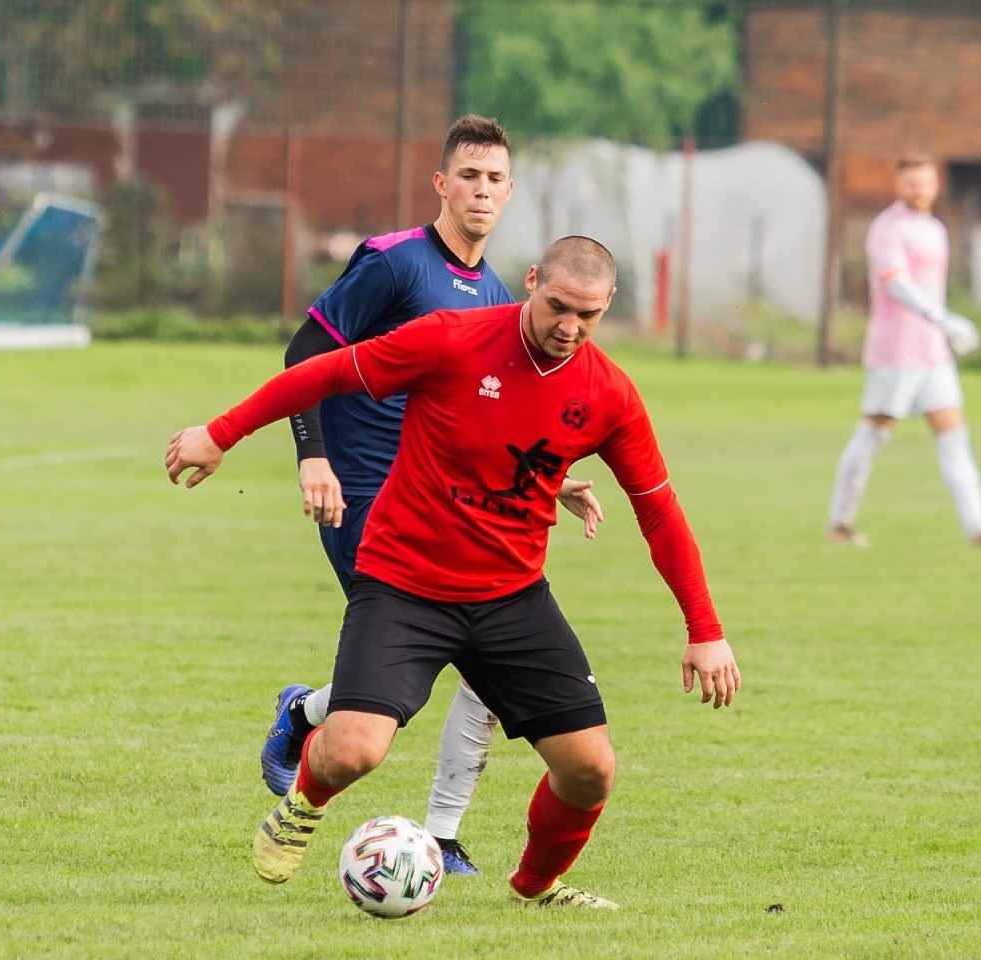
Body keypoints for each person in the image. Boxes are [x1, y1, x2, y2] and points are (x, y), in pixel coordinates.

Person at [166, 237, 741, 909]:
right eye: (557, 306)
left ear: (608, 305)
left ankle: (536, 886)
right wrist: (221, 432)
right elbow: (324, 372)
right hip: (404, 582)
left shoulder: (609, 394)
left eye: (588, 315)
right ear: (531, 281)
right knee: (353, 750)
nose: (569, 328)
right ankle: (302, 801)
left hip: (512, 598)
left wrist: (706, 628)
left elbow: (659, 512)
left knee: (591, 771)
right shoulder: (450, 339)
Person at [259, 115, 601, 878]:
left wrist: (556, 478)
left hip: (447, 505)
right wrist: (313, 459)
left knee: (442, 666)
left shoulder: (502, 293)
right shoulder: (395, 264)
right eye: (469, 176)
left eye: (495, 179)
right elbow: (305, 354)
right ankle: (437, 837)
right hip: (364, 500)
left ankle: (306, 717)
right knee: (452, 663)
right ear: (442, 184)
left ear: (510, 193)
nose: (482, 190)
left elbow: (500, 412)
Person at [826, 153, 981, 547]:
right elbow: (896, 284)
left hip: (933, 354)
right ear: (897, 185)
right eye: (910, 183)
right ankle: (839, 523)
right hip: (896, 351)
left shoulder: (935, 229)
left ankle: (979, 527)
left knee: (954, 437)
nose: (918, 191)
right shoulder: (887, 229)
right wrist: (942, 317)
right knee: (874, 435)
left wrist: (941, 328)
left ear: (937, 185)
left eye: (924, 183)